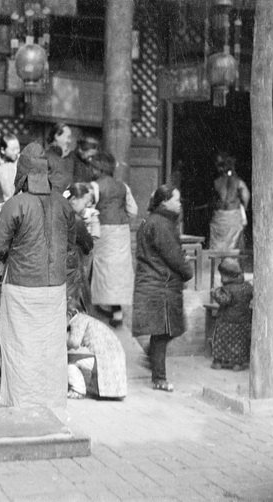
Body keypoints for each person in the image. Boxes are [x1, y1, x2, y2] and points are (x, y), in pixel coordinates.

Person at [0, 142, 76, 408]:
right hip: (55, 289)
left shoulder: (16, 204)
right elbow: (71, 241)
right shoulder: (63, 204)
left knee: (21, 348)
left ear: (22, 174)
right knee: (50, 350)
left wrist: (13, 260)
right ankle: (50, 402)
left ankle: (22, 403)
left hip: (22, 287)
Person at [132, 184, 193, 392]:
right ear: (165, 202)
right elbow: (173, 255)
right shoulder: (161, 224)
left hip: (156, 283)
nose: (179, 203)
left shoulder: (155, 221)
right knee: (162, 332)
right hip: (160, 284)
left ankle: (153, 361)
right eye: (176, 199)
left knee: (166, 331)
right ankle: (159, 377)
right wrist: (188, 271)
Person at [90, 151, 138, 327]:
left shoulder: (95, 186)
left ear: (98, 169)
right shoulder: (123, 186)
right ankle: (117, 312)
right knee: (118, 271)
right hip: (122, 230)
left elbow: (87, 208)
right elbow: (133, 211)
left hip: (102, 230)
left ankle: (99, 306)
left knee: (102, 269)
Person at [67, 308, 127, 400]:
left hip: (105, 359)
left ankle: (78, 391)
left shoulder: (77, 321)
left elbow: (74, 343)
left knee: (71, 363)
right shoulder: (88, 319)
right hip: (115, 358)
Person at [210, 258, 253, 371]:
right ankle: (237, 363)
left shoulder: (227, 289)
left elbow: (224, 301)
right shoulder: (247, 287)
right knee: (239, 343)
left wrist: (214, 293)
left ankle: (218, 361)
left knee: (222, 341)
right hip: (242, 321)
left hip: (226, 321)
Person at [208, 153, 250, 251]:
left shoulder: (216, 183)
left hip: (219, 217)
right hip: (233, 215)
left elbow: (214, 200)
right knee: (232, 247)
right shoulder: (239, 182)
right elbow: (246, 196)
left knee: (217, 247)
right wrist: (244, 207)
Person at [66, 182, 96, 314]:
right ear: (73, 200)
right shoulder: (75, 220)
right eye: (84, 202)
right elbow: (88, 245)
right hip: (72, 270)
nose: (86, 207)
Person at [46, 122, 74, 193]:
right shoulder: (45, 157)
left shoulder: (70, 159)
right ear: (57, 136)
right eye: (68, 137)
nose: (69, 141)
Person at [0, 133, 20, 201]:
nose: (16, 152)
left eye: (18, 148)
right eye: (13, 150)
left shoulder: (21, 162)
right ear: (3, 150)